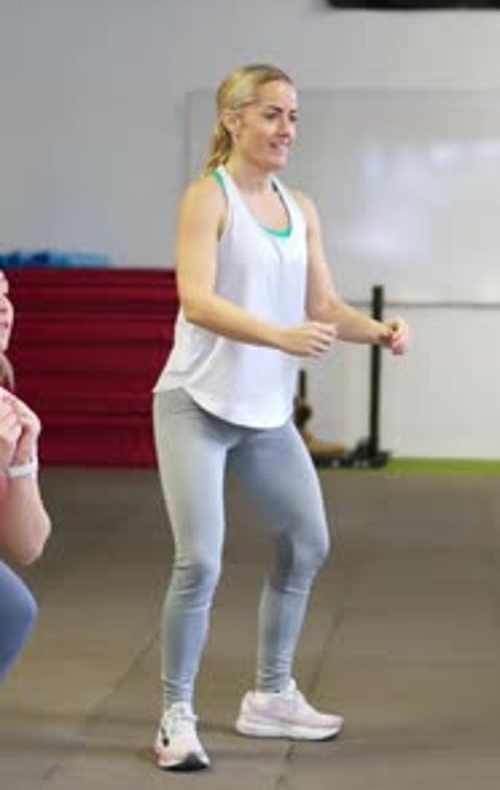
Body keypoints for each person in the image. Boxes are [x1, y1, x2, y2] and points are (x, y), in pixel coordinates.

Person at [152, 63, 409, 771]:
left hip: (264, 417)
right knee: (199, 560)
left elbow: (322, 307)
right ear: (233, 118)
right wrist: (281, 335)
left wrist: (379, 330)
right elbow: (197, 302)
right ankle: (176, 713)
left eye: (293, 116)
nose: (286, 129)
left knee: (307, 543)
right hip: (194, 405)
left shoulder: (301, 206)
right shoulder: (208, 199)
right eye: (271, 114)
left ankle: (270, 695)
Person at [0, 270, 51, 680]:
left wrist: (20, 461)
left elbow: (28, 546)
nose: (4, 308)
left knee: (11, 608)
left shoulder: (6, 407)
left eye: (6, 295)